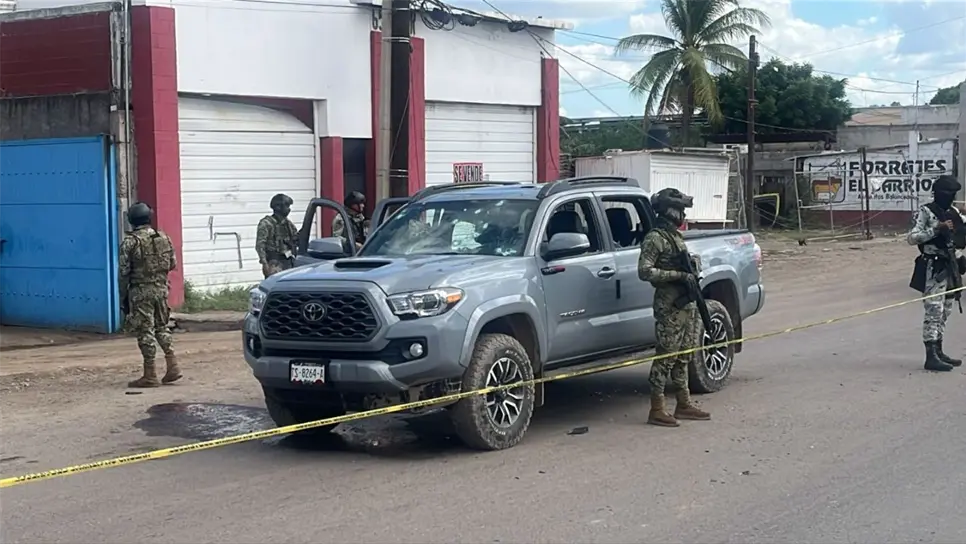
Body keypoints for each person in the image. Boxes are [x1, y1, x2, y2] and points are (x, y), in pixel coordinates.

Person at [638, 188, 711, 427]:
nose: (683, 216)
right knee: (666, 357)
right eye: (680, 211)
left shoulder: (675, 237)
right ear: (670, 212)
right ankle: (657, 408)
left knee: (684, 355)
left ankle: (683, 403)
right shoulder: (655, 238)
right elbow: (645, 271)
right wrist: (677, 275)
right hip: (669, 306)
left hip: (686, 303)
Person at [119, 202, 180, 388]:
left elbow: (123, 272)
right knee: (162, 327)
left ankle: (150, 374)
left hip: (141, 291)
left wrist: (123, 296)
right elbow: (172, 264)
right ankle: (173, 365)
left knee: (145, 331)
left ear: (131, 220)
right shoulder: (163, 237)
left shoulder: (130, 242)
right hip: (161, 288)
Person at [907, 174, 964, 371]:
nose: (951, 196)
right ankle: (930, 356)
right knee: (934, 310)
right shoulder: (926, 212)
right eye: (948, 193)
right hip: (934, 267)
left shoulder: (954, 212)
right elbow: (912, 238)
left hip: (951, 267)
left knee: (945, 310)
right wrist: (936, 230)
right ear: (939, 193)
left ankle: (939, 351)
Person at [256, 194, 299, 278]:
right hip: (274, 264)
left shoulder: (288, 223)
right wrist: (265, 264)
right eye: (287, 206)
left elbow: (295, 238)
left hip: (289, 261)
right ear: (278, 207)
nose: (289, 209)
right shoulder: (266, 224)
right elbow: (260, 245)